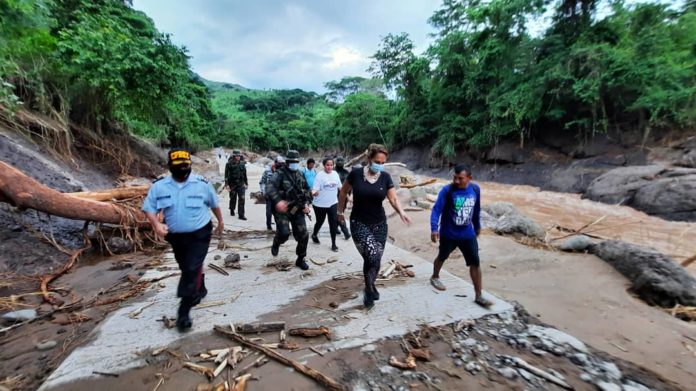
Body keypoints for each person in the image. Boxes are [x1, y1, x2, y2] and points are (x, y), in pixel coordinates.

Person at [142, 148, 224, 332]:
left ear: (190, 166)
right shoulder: (160, 186)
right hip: (175, 236)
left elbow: (214, 204)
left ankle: (184, 312)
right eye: (178, 166)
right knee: (186, 265)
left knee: (190, 268)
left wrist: (220, 222)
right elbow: (149, 208)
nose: (182, 169)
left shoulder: (202, 184)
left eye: (185, 166)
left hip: (200, 233)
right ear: (170, 167)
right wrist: (156, 224)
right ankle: (199, 287)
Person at [338, 144, 411, 309]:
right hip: (359, 222)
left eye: (383, 162)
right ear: (368, 159)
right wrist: (339, 211)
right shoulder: (355, 174)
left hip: (379, 224)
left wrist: (401, 212)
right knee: (371, 255)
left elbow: (393, 199)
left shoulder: (385, 177)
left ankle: (368, 288)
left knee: (375, 259)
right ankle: (370, 287)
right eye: (377, 161)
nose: (380, 164)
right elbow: (343, 192)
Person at [429, 164, 492, 308]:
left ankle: (478, 296)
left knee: (475, 262)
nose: (457, 181)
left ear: (469, 178)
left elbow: (476, 210)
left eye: (460, 178)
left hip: (467, 234)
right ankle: (435, 276)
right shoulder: (448, 190)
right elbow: (436, 210)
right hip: (448, 233)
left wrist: (477, 227)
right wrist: (434, 228)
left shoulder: (475, 189)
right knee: (442, 256)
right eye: (455, 178)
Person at [266, 150, 313, 270]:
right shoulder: (280, 174)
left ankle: (300, 259)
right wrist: (278, 201)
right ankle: (277, 242)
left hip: (297, 209)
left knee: (304, 235)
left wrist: (307, 204)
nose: (294, 164)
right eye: (292, 161)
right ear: (287, 162)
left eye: (296, 162)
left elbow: (307, 190)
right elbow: (269, 187)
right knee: (284, 233)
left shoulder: (300, 174)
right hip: (283, 210)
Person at [311, 157, 342, 252]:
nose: (329, 167)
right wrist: (314, 192)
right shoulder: (319, 176)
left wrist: (348, 197)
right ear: (324, 165)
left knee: (333, 223)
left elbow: (340, 187)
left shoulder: (335, 174)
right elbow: (314, 189)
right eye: (327, 165)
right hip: (320, 204)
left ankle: (333, 244)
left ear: (333, 165)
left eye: (331, 165)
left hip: (333, 203)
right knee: (320, 221)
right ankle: (314, 234)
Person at [260, 156, 285, 230]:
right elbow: (262, 182)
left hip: (279, 196)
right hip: (269, 195)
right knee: (269, 212)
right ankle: (269, 226)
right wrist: (264, 191)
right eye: (279, 164)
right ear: (275, 163)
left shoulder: (282, 172)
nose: (281, 165)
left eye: (282, 164)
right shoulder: (267, 171)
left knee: (279, 212)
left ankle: (279, 226)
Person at [224, 150, 248, 220]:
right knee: (233, 198)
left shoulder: (242, 164)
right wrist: (226, 184)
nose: (238, 157)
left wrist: (246, 183)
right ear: (234, 156)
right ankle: (232, 209)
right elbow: (226, 175)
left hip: (241, 184)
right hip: (232, 184)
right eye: (237, 156)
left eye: (239, 156)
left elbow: (244, 174)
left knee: (242, 198)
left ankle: (241, 215)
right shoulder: (229, 164)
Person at [334, 156, 351, 240]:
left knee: (340, 212)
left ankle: (335, 228)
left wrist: (348, 196)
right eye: (339, 161)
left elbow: (350, 185)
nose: (340, 162)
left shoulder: (346, 172)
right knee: (338, 213)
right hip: (334, 196)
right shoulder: (332, 172)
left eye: (341, 161)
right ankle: (346, 232)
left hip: (344, 196)